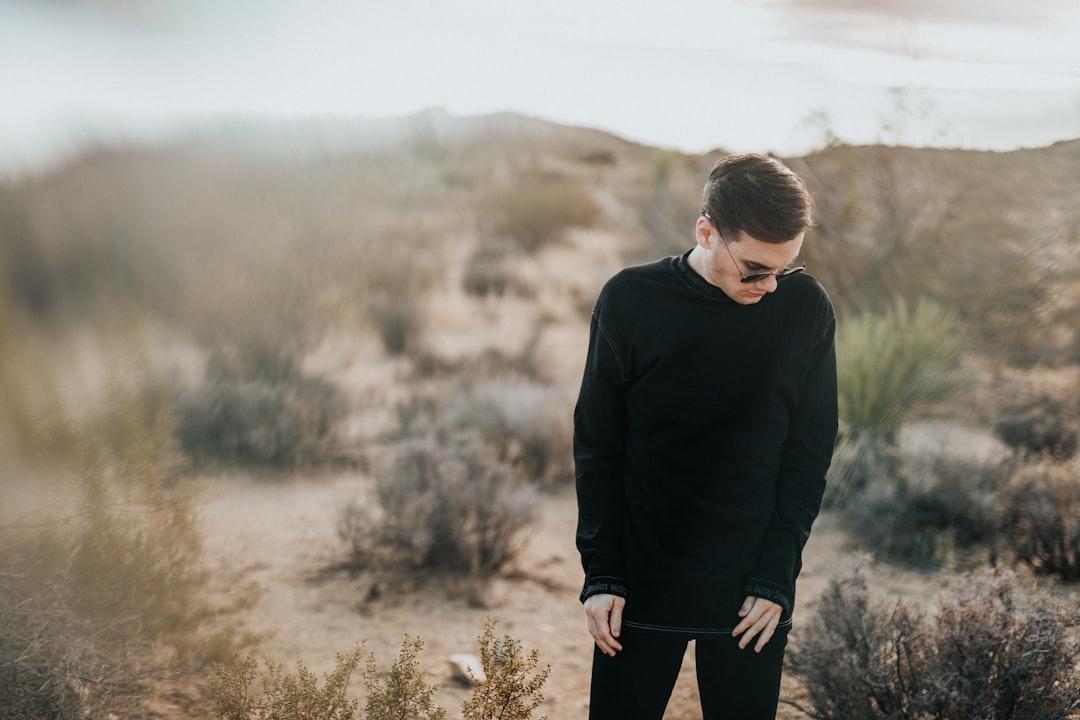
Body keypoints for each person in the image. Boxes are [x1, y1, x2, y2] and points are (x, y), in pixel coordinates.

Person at [573, 152, 839, 719]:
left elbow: (808, 454)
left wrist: (776, 577)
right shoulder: (630, 300)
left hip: (751, 594)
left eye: (784, 268)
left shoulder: (806, 308)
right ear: (706, 232)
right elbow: (598, 446)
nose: (769, 287)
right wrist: (602, 573)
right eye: (753, 269)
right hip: (640, 585)